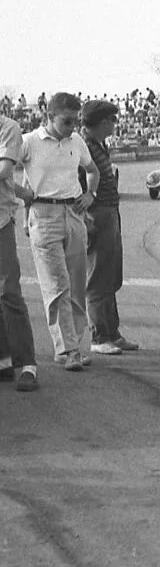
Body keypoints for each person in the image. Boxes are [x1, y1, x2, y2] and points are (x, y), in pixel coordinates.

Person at [20, 92, 101, 371]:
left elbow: (93, 170)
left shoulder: (76, 141)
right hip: (44, 215)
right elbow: (6, 172)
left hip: (74, 214)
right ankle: (67, 349)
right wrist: (24, 194)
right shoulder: (29, 142)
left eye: (76, 121)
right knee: (57, 285)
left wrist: (90, 194)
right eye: (67, 121)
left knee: (77, 283)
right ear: (49, 117)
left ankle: (76, 345)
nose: (73, 127)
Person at [80, 100, 139, 356]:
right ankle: (99, 336)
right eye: (112, 120)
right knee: (98, 279)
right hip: (96, 215)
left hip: (109, 212)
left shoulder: (97, 145)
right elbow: (78, 184)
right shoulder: (82, 146)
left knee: (111, 276)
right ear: (103, 122)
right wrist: (86, 217)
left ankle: (112, 332)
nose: (115, 125)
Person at [0, 115, 38, 391]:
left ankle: (27, 364)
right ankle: (3, 360)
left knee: (9, 292)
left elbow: (3, 170)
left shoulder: (8, 127)